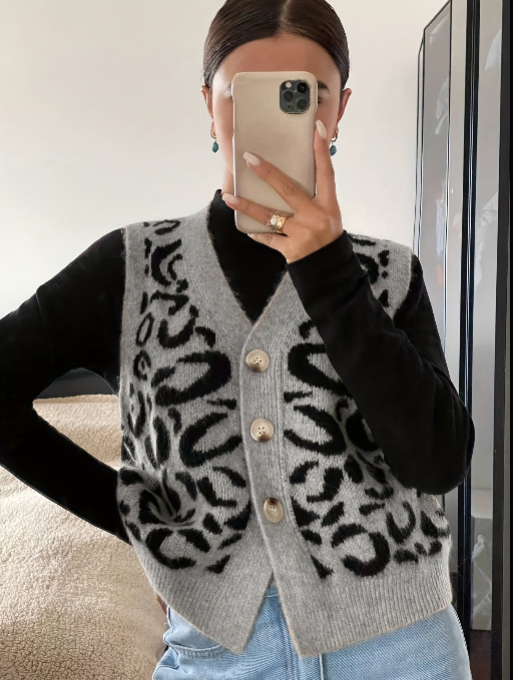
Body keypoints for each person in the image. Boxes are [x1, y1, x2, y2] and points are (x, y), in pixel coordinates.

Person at [0, 1, 476, 678]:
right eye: (246, 94)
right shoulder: (132, 268)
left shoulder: (387, 273)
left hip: (403, 647)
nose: (279, 117)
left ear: (339, 108)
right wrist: (146, 528)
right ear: (209, 104)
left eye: (304, 94)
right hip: (219, 655)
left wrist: (329, 272)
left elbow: (437, 463)